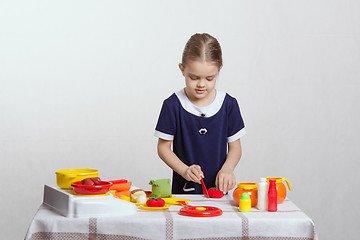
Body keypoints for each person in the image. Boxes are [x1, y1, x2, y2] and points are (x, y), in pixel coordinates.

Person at [154, 33, 246, 194]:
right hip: (184, 195)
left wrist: (228, 169)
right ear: (182, 69)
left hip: (218, 194)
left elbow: (235, 146)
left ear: (219, 70)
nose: (201, 84)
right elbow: (163, 147)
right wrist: (184, 170)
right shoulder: (172, 105)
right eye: (194, 78)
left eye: (210, 78)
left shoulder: (228, 105)